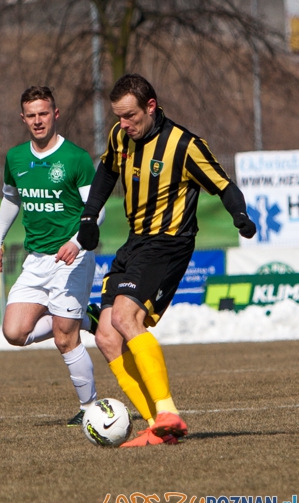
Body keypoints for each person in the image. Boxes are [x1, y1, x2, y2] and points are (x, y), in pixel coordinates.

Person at [76, 73, 256, 447]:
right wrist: (89, 215)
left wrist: (240, 216)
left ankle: (167, 409)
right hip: (135, 241)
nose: (123, 124)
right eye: (118, 117)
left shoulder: (185, 145)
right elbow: (108, 170)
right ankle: (159, 425)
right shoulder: (120, 136)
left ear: (151, 106)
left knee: (126, 317)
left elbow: (223, 184)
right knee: (107, 336)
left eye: (129, 116)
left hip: (169, 243)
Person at [0, 85, 104, 427]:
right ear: (23, 118)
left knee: (65, 339)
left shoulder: (76, 158)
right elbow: (11, 199)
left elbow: (97, 212)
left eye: (43, 113)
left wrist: (78, 243)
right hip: (36, 260)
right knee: (14, 333)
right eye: (31, 115)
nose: (38, 121)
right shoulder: (16, 158)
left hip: (72, 258)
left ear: (55, 114)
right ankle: (86, 318)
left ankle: (90, 410)